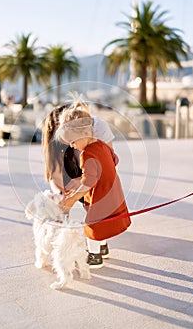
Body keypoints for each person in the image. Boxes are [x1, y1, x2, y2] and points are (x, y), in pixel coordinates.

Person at [56, 108, 131, 269]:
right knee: (104, 222)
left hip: (100, 195)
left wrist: (72, 199)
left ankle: (94, 256)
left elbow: (88, 182)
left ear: (83, 133)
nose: (72, 146)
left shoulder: (87, 155)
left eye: (73, 142)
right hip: (112, 191)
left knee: (91, 226)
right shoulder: (102, 145)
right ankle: (103, 248)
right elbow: (114, 159)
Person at [42, 100, 115, 260]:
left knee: (94, 220)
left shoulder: (96, 134)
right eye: (60, 136)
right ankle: (100, 246)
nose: (69, 143)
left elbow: (109, 162)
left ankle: (96, 254)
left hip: (95, 178)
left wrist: (79, 185)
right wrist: (60, 195)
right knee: (94, 213)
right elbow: (54, 174)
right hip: (83, 177)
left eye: (71, 138)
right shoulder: (61, 145)